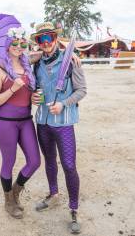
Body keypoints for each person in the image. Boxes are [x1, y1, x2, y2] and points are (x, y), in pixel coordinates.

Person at [31, 22, 87, 234]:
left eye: (49, 38)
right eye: (40, 39)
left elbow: (82, 90)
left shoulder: (71, 60)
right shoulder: (36, 64)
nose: (45, 43)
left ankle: (74, 208)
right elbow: (33, 85)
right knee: (49, 161)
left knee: (69, 165)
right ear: (37, 42)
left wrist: (64, 103)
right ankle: (53, 195)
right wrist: (33, 96)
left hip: (63, 123)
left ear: (56, 38)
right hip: (43, 122)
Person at [0, 27, 41, 219]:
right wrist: (12, 89)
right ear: (8, 45)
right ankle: (8, 200)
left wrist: (34, 96)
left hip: (26, 120)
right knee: (8, 162)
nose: (19, 47)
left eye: (22, 44)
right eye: (15, 43)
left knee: (35, 161)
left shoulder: (28, 66)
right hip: (5, 123)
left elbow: (44, 54)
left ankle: (16, 192)